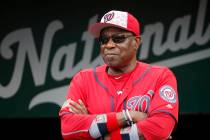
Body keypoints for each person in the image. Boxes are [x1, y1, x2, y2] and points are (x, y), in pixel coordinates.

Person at [59, 10, 179, 140]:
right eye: (104, 40)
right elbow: (68, 130)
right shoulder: (83, 79)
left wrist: (98, 132)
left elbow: (160, 129)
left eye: (118, 38)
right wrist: (129, 116)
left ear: (136, 42)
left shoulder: (160, 76)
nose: (109, 45)